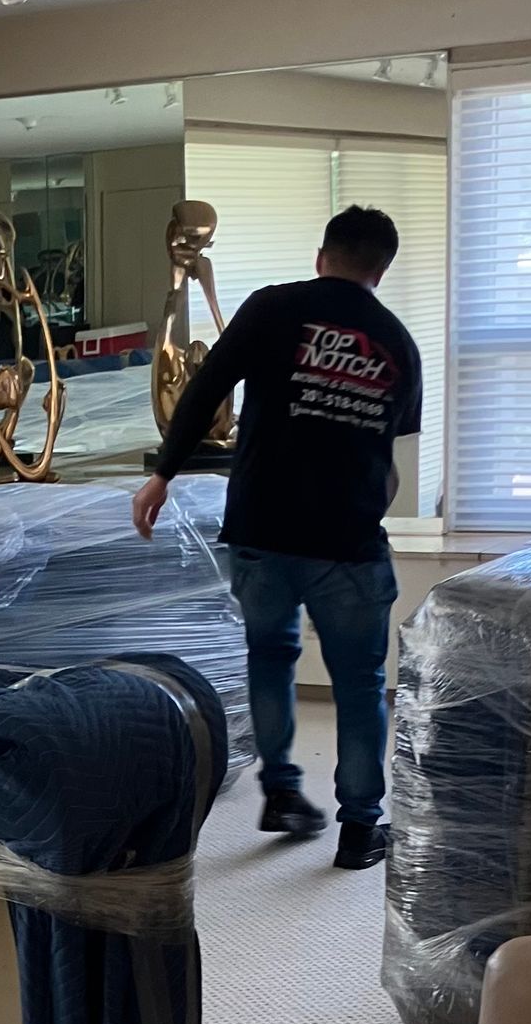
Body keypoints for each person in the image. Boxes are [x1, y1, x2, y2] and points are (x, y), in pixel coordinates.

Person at [133, 205, 420, 870]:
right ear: (380, 271)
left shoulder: (272, 308)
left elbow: (204, 390)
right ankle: (359, 830)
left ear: (322, 257)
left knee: (270, 657)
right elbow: (390, 461)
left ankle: (283, 792)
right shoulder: (397, 343)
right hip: (347, 542)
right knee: (360, 685)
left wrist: (163, 475)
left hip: (262, 530)